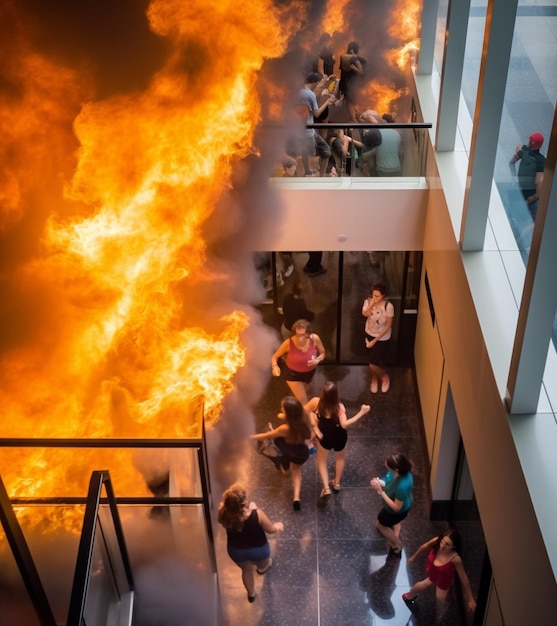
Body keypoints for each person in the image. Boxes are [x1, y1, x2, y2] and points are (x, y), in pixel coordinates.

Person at [218, 483, 284, 602]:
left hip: (236, 551)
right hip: (259, 551)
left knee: (246, 570)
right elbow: (271, 530)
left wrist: (252, 508)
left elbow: (240, 517)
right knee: (264, 564)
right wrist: (277, 526)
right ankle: (261, 569)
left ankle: (251, 594)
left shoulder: (224, 514)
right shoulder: (257, 515)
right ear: (243, 503)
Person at [305, 381, 370, 498]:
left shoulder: (316, 402)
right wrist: (362, 412)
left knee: (321, 460)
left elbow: (306, 410)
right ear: (336, 395)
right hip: (340, 437)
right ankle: (337, 483)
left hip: (325, 437)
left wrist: (313, 420)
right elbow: (344, 424)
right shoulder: (339, 407)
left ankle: (326, 488)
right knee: (340, 457)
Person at [251, 396, 312, 510]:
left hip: (288, 452)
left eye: (282, 408)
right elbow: (309, 435)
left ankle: (283, 463)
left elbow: (265, 436)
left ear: (288, 414)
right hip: (302, 453)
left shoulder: (284, 428)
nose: (280, 409)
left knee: (275, 438)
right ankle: (296, 497)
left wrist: (248, 437)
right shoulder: (303, 420)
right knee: (296, 470)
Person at [402, 528, 477, 613]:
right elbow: (425, 546)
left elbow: (463, 577)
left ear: (454, 546)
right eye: (442, 541)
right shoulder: (437, 541)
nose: (442, 546)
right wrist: (413, 557)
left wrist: (470, 598)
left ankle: (439, 615)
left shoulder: (455, 559)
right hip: (434, 572)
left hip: (443, 579)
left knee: (439, 598)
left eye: (447, 544)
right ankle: (411, 597)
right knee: (435, 593)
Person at [271, 319, 325, 404]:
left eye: (303, 335)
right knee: (303, 400)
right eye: (298, 335)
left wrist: (317, 360)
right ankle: (305, 416)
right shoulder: (288, 343)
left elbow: (322, 354)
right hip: (293, 375)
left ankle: (290, 408)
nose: (300, 338)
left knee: (301, 394)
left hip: (309, 374)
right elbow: (275, 356)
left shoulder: (315, 339)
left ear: (309, 333)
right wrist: (275, 366)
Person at [370, 453, 413, 555]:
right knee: (385, 522)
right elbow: (388, 481)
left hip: (397, 511)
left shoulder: (402, 486)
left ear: (397, 469)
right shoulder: (396, 473)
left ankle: (397, 544)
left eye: (388, 465)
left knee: (380, 525)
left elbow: (396, 507)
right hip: (399, 502)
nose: (386, 464)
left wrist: (380, 491)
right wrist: (379, 482)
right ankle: (396, 525)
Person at [297, 72, 336, 176]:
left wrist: (326, 82)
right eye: (319, 82)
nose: (320, 84)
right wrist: (327, 102)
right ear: (315, 82)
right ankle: (319, 176)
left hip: (301, 128)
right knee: (325, 151)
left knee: (305, 152)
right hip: (309, 131)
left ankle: (307, 172)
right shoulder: (309, 95)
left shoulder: (301, 92)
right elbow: (317, 114)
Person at [362, 283, 394, 393]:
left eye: (377, 296)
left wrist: (375, 340)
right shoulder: (368, 301)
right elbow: (365, 314)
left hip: (381, 337)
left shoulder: (388, 306)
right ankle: (375, 377)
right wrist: (372, 304)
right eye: (373, 295)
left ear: (383, 295)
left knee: (372, 363)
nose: (375, 298)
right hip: (369, 332)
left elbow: (389, 325)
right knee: (373, 360)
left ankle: (383, 376)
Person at [510, 131, 546, 220]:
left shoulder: (541, 161)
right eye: (531, 141)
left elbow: (539, 190)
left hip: (530, 196)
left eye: (533, 142)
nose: (531, 143)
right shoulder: (525, 151)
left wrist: (529, 200)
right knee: (514, 215)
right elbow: (512, 162)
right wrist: (513, 179)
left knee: (529, 219)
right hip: (521, 191)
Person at [339, 41, 365, 122]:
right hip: (350, 85)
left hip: (349, 85)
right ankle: (355, 120)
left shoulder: (344, 57)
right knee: (351, 102)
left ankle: (355, 120)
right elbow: (361, 71)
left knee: (351, 103)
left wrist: (353, 67)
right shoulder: (353, 59)